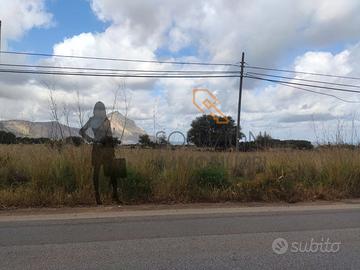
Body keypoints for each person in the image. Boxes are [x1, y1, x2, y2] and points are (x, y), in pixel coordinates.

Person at [79, 101, 119, 204]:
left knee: (113, 171)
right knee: (96, 172)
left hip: (107, 149)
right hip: (98, 148)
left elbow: (109, 136)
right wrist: (91, 139)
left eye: (102, 110)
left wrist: (112, 149)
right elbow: (81, 131)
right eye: (98, 110)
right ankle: (97, 196)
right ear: (95, 111)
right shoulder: (92, 120)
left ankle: (114, 194)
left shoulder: (106, 120)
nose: (100, 112)